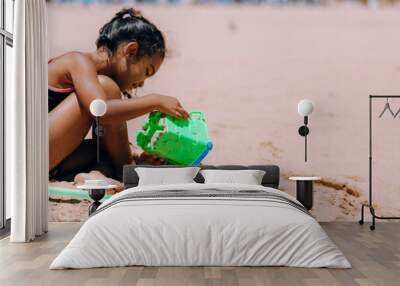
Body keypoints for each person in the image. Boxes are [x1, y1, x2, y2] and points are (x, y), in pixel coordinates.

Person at [48, 7, 189, 182]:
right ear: (130, 51)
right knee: (108, 88)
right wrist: (155, 101)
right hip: (30, 154)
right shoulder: (77, 62)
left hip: (50, 158)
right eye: (147, 71)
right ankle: (127, 170)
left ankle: (99, 174)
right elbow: (101, 112)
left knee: (106, 151)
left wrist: (133, 152)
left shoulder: (91, 77)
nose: (142, 83)